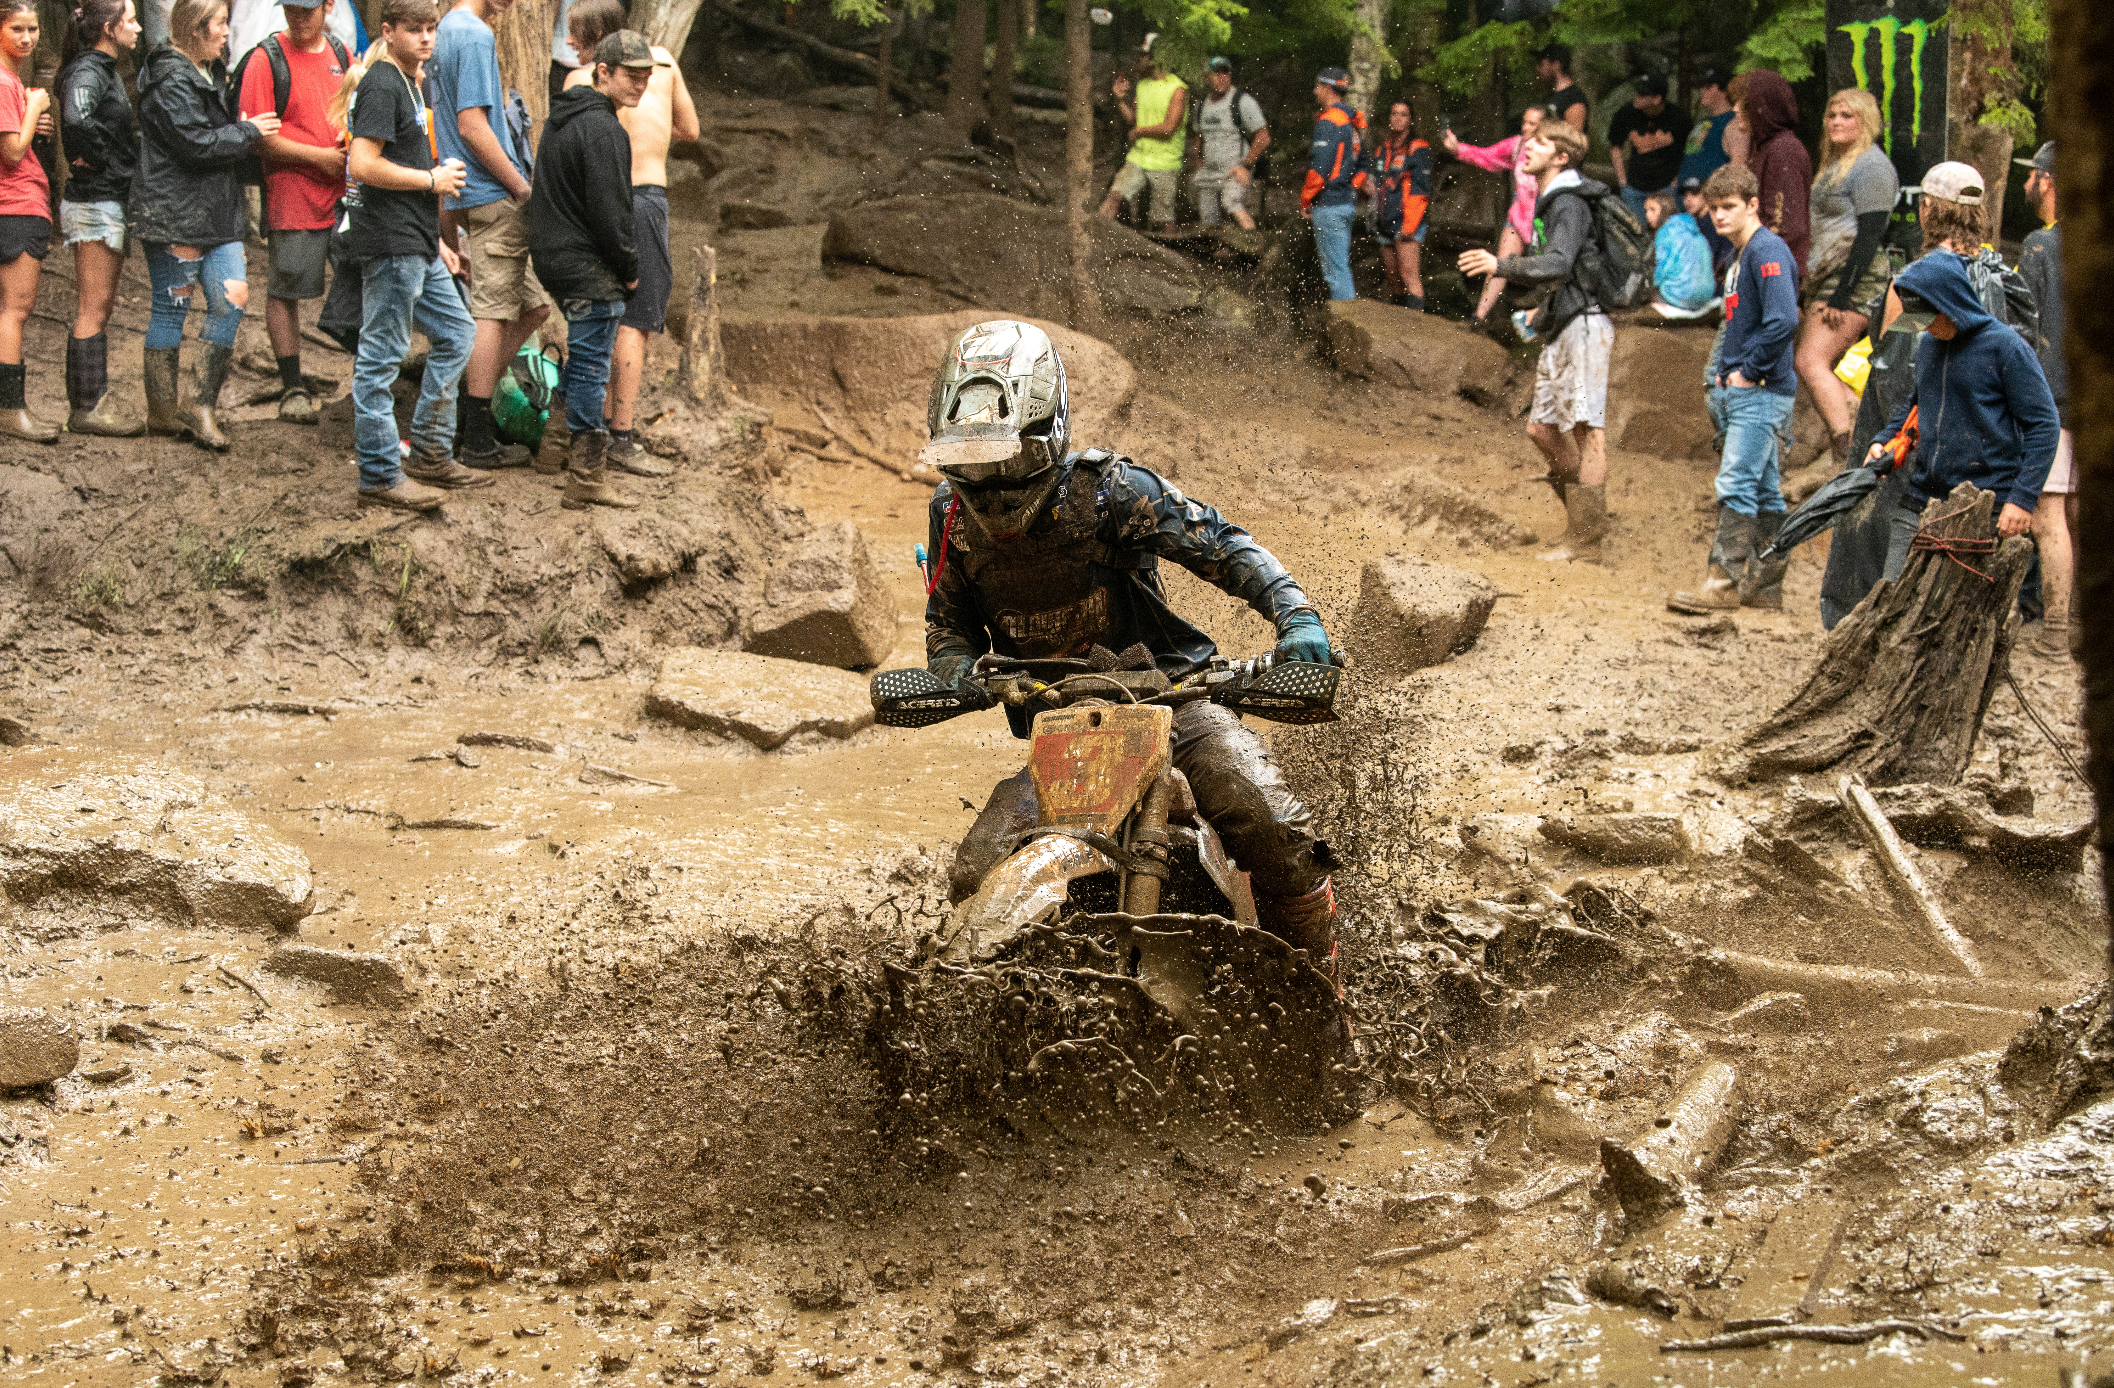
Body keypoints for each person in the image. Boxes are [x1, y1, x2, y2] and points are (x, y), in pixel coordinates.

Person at [921, 319, 1345, 973]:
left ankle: (1321, 981)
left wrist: (1297, 620)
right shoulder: (952, 518)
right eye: (972, 466)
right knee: (975, 865)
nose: (993, 485)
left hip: (1178, 703)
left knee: (1269, 822)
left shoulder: (1114, 493)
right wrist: (957, 671)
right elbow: (947, 622)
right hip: (1064, 729)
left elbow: (1224, 547)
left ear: (1048, 433)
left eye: (1007, 462)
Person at [1818, 162, 2036, 628]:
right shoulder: (1998, 275)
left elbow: (1899, 367)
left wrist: (1888, 435)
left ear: (1929, 209)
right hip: (1986, 467)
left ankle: (1863, 629)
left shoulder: (1920, 282)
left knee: (1890, 563)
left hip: (1919, 453)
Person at [344, 0, 483, 511]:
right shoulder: (382, 82)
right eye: (415, 30)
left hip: (417, 244)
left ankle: (428, 452)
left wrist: (439, 241)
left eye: (432, 29)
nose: (426, 38)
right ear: (388, 31)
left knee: (458, 332)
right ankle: (380, 474)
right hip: (390, 244)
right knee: (380, 358)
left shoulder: (410, 81)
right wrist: (431, 179)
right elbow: (361, 164)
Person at [1458, 121, 1613, 564]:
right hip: (1563, 323)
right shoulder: (1554, 201)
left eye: (1541, 143)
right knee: (1541, 429)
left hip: (1585, 325)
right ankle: (1585, 521)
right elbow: (1569, 269)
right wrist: (1541, 313)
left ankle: (1587, 542)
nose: (1528, 147)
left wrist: (1501, 264)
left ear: (1561, 157)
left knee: (1588, 433)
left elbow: (1561, 263)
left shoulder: (1570, 202)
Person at [134, 0, 278, 451]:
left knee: (233, 297)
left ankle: (200, 405)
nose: (225, 33)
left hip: (217, 213)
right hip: (175, 211)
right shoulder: (169, 79)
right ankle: (161, 412)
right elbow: (194, 144)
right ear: (196, 30)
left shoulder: (210, 72)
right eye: (219, 25)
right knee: (171, 308)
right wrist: (249, 132)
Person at [1865, 252, 2059, 583]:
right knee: (1891, 592)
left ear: (1949, 304)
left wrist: (2023, 499)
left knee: (1957, 611)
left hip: (1984, 502)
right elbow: (1916, 403)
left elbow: (2044, 425)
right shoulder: (1927, 344)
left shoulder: (2006, 348)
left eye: (1927, 317)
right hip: (1923, 494)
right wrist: (1885, 438)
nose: (1922, 326)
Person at [563, 2, 695, 477]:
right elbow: (691, 129)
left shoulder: (580, 80)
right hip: (647, 197)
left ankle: (592, 429)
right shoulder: (664, 63)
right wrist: (653, 137)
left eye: (576, 37)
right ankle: (620, 433)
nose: (571, 46)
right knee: (634, 320)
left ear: (596, 40)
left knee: (603, 310)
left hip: (598, 203)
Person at [527, 28, 653, 511]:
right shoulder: (605, 130)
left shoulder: (565, 117)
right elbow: (611, 212)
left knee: (581, 360)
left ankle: (550, 453)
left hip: (554, 258)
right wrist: (630, 269)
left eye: (646, 78)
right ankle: (586, 479)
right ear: (603, 72)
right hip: (586, 265)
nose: (640, 86)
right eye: (631, 77)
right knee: (590, 370)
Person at [1667, 165, 1802, 614]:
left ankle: (1722, 584)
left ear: (1752, 205)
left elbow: (1784, 319)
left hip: (1762, 391)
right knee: (1764, 491)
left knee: (1736, 482)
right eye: (1714, 208)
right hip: (1753, 388)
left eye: (1729, 207)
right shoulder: (1741, 253)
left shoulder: (1769, 251)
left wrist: (1748, 369)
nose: (1720, 217)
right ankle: (1764, 588)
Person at [430, 0, 549, 470]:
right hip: (492, 193)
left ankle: (467, 408)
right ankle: (475, 433)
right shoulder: (474, 34)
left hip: (468, 193)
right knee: (493, 311)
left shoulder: (446, 30)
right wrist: (521, 188)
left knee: (533, 305)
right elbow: (472, 124)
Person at [238, 0, 350, 427]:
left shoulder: (341, 54)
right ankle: (292, 384)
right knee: (287, 285)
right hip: (292, 191)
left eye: (307, 10)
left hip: (341, 193)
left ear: (328, 6)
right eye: (291, 9)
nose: (298, 18)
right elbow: (259, 138)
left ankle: (369, 374)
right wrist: (317, 158)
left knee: (359, 276)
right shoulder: (266, 59)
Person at [1792, 88, 1897, 468]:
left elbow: (1870, 236)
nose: (1836, 121)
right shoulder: (1836, 163)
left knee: (1810, 360)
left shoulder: (1872, 166)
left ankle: (1853, 445)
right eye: (1832, 114)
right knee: (1819, 363)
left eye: (1847, 115)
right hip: (1828, 278)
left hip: (1854, 280)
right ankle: (1860, 439)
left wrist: (1842, 295)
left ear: (1866, 120)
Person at [56, 0, 144, 438]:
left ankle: (92, 402)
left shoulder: (101, 70)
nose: (138, 27)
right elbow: (75, 117)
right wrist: (104, 158)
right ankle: (87, 408)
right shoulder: (89, 70)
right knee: (94, 306)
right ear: (109, 29)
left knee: (100, 305)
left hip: (103, 199)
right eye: (130, 21)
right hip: (93, 201)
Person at [2016, 140, 2076, 659]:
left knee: (2047, 514)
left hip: (2052, 398)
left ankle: (2057, 628)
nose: (2027, 185)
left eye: (2032, 175)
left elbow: (2023, 326)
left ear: (2049, 181)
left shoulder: (2040, 246)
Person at [0, 0, 53, 442]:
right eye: (17, 28)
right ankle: (11, 411)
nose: (27, 38)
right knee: (15, 311)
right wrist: (35, 106)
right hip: (14, 206)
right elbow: (12, 153)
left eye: (33, 29)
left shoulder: (10, 81)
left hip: (16, 205)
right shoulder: (4, 82)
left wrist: (32, 120)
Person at [1443, 103, 1543, 333]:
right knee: (1498, 265)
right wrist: (1457, 148)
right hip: (1518, 218)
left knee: (1547, 273)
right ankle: (1478, 318)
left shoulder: (1553, 152)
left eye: (1532, 124)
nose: (1525, 127)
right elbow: (1488, 157)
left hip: (1542, 221)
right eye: (1524, 122)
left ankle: (1539, 325)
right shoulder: (1517, 146)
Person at [1098, 35, 1186, 234]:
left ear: (1157, 57)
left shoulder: (1178, 89)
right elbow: (1134, 119)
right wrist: (1120, 100)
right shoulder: (1142, 85)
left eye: (1144, 55)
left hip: (1165, 161)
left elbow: (1169, 128)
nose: (1140, 59)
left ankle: (1170, 259)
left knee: (1163, 219)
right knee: (1114, 195)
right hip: (1139, 157)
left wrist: (1139, 132)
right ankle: (1096, 239)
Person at [1732, 69, 1810, 273]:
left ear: (1760, 106)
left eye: (1741, 102)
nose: (1735, 108)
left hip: (1775, 271)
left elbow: (1784, 226)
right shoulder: (1766, 148)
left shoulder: (1784, 150)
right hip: (1762, 266)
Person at [1301, 67, 1364, 303]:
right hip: (1345, 203)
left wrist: (1306, 200)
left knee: (1336, 273)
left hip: (1329, 205)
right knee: (1340, 267)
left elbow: (1319, 170)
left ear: (1328, 88)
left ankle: (1346, 329)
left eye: (1317, 86)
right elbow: (1363, 164)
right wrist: (1351, 187)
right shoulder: (1352, 122)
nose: (1314, 91)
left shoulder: (1329, 122)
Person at [1187, 55, 1267, 232]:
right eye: (1216, 73)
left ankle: (1253, 241)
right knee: (1208, 217)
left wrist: (1246, 166)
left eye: (1225, 72)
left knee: (1231, 202)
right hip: (1209, 170)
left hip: (1235, 168)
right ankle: (1217, 253)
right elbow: (1199, 136)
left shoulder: (1241, 102)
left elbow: (1263, 136)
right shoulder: (1201, 105)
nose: (1221, 77)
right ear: (1206, 77)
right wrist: (1199, 162)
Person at [1368, 100, 1430, 309]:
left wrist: (1410, 226)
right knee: (1394, 280)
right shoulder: (1383, 150)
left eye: (1403, 114)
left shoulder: (1418, 147)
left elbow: (1420, 190)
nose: (1397, 118)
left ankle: (1416, 330)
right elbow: (1377, 184)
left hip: (1406, 221)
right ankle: (1397, 331)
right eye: (1394, 113)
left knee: (1409, 276)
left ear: (1411, 120)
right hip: (1385, 220)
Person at [1608, 72, 1683, 222]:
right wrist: (1622, 181)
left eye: (1643, 93)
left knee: (1666, 231)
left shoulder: (1678, 117)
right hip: (1634, 188)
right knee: (1636, 236)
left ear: (1657, 98)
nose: (1636, 95)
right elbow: (1616, 146)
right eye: (1637, 90)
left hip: (1665, 189)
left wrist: (1675, 180)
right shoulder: (1626, 113)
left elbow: (1686, 151)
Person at [1644, 189, 1714, 316]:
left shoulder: (1666, 233)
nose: (1647, 215)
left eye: (1652, 210)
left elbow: (1657, 272)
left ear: (1664, 209)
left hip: (1679, 298)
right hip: (1705, 297)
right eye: (1646, 210)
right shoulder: (1693, 228)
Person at [1676, 66, 1734, 186]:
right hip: (1686, 194)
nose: (1702, 90)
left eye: (1708, 86)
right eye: (1701, 86)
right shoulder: (1703, 122)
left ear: (1725, 89)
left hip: (1711, 195)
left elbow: (1737, 163)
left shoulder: (1733, 122)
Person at [1679, 173, 1733, 273]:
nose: (1688, 199)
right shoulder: (1688, 224)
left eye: (1694, 194)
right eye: (1685, 195)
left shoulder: (1718, 221)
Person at [1536, 44, 1586, 133]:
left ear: (1556, 65)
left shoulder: (1573, 96)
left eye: (1542, 64)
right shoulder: (1550, 96)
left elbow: (1575, 135)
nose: (1538, 68)